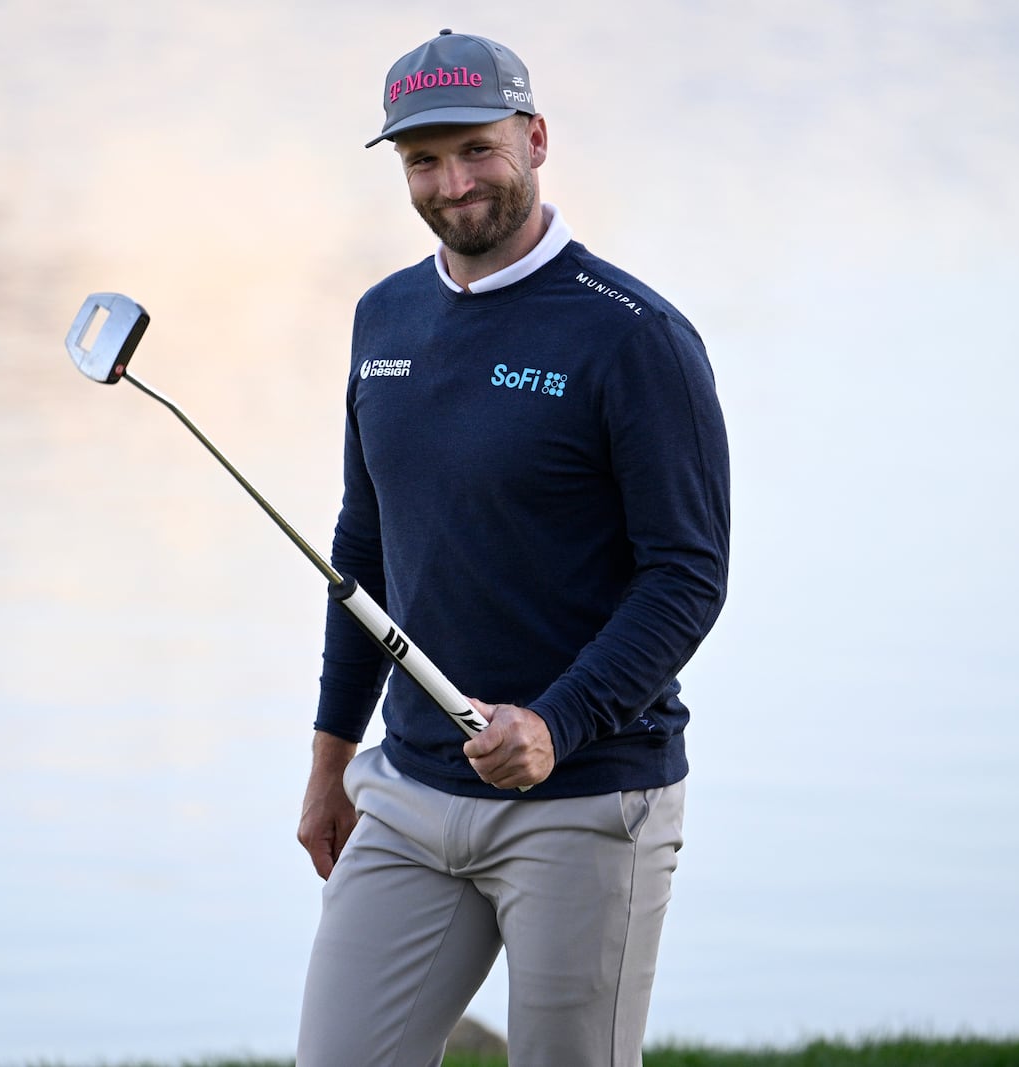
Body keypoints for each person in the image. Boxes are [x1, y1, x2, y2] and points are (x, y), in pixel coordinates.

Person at [295, 28, 730, 1067]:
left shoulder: (632, 335)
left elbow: (687, 574)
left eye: (476, 150)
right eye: (422, 161)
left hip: (584, 799)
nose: (452, 184)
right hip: (409, 791)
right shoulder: (384, 315)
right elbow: (366, 551)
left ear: (533, 138)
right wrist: (330, 764)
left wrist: (556, 721)